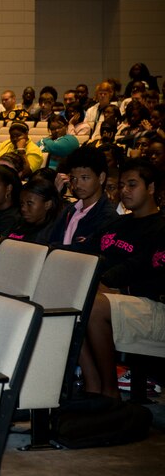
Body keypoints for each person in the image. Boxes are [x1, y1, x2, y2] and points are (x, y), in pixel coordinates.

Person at [80, 159, 165, 398]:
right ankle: (92, 384)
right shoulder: (118, 223)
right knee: (65, 296)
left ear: (150, 188)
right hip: (111, 293)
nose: (124, 191)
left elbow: (140, 268)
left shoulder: (159, 227)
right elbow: (87, 251)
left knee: (93, 305)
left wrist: (120, 289)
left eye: (132, 184)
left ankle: (110, 391)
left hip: (149, 302)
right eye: (122, 185)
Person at [48, 147, 118, 252]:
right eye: (73, 179)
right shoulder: (69, 210)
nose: (77, 185)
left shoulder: (108, 217)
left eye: (84, 178)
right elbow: (51, 241)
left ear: (101, 178)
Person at [7, 176, 62, 243]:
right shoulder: (16, 223)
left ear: (47, 205)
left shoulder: (53, 234)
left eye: (29, 203)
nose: (23, 209)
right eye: (22, 204)